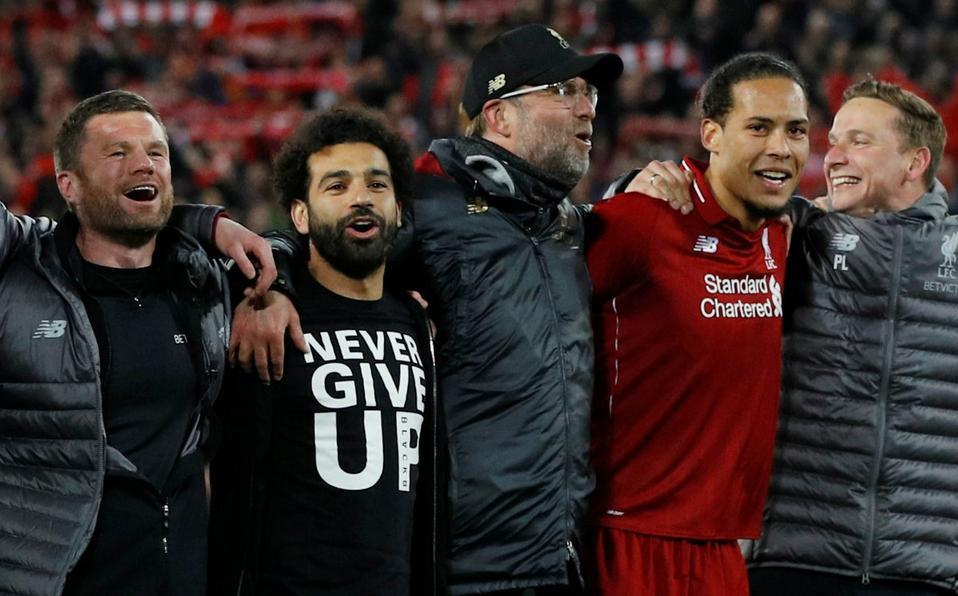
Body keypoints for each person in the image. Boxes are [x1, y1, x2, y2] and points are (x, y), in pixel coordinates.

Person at [229, 23, 624, 595]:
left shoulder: (566, 224)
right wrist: (274, 287)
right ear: (499, 115)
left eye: (589, 93)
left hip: (560, 560)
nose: (586, 108)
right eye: (564, 92)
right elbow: (324, 238)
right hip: (466, 568)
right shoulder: (430, 200)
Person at [0, 89, 276, 596]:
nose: (144, 164)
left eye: (156, 152)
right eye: (117, 153)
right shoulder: (19, 278)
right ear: (68, 184)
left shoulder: (203, 281)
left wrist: (275, 288)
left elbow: (313, 249)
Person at [586, 52, 809, 596]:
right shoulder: (643, 220)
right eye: (759, 127)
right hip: (629, 538)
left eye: (796, 130)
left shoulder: (779, 235)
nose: (781, 147)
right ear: (711, 133)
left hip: (722, 547)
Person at [208, 109, 436, 596]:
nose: (360, 197)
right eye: (336, 186)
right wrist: (267, 286)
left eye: (377, 185)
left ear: (398, 209)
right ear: (300, 215)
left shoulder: (416, 321)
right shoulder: (263, 310)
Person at [743, 80, 958, 596]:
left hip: (923, 572)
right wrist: (644, 182)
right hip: (794, 562)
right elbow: (693, 216)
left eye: (859, 142)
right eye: (834, 141)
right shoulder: (798, 233)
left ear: (915, 162)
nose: (834, 157)